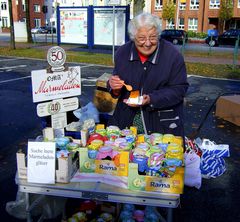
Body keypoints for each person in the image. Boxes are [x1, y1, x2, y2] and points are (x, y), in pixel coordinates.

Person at [107, 12, 189, 138]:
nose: (147, 43)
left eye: (152, 37)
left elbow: (179, 89)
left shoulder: (172, 56)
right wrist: (114, 87)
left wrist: (151, 99)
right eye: (141, 38)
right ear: (133, 37)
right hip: (126, 122)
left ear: (158, 35)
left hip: (161, 125)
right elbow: (115, 82)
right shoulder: (122, 53)